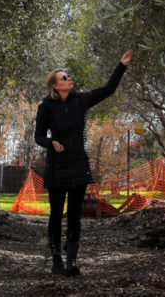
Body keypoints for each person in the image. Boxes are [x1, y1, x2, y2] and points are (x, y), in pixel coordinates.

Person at [34, 49, 133, 276]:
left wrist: (122, 65)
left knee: (74, 214)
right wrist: (51, 143)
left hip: (78, 163)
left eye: (68, 76)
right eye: (64, 77)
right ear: (56, 86)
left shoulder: (81, 100)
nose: (69, 79)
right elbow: (38, 136)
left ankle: (72, 261)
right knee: (56, 215)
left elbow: (108, 89)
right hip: (57, 166)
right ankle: (56, 259)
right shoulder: (46, 107)